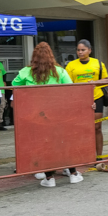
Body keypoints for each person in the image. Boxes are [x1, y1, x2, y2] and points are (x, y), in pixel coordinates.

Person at [13, 42, 81, 187]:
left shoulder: (25, 72)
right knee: (62, 143)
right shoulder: (60, 72)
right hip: (57, 114)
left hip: (36, 115)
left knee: (41, 144)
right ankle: (73, 173)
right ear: (51, 56)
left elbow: (14, 87)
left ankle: (48, 177)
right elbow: (71, 91)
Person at [66, 40, 108, 166]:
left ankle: (99, 157)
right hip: (78, 99)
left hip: (97, 96)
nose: (80, 52)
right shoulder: (71, 65)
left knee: (97, 127)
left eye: (83, 50)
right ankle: (82, 155)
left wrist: (94, 83)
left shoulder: (98, 63)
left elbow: (106, 80)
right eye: (78, 50)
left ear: (89, 50)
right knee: (80, 128)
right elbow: (67, 83)